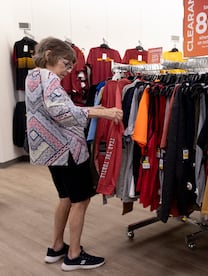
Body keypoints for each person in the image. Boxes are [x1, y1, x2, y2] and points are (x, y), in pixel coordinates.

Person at [25, 37, 123, 271]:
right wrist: (104, 113)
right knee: (81, 199)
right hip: (66, 148)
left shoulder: (33, 76)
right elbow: (62, 113)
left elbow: (56, 110)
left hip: (49, 149)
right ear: (49, 55)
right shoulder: (49, 78)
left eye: (71, 66)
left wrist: (94, 109)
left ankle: (57, 246)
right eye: (66, 64)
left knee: (66, 197)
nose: (69, 71)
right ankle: (74, 255)